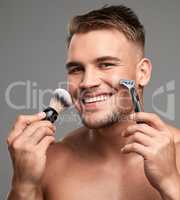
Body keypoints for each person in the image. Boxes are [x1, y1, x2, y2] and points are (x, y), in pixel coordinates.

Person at [7, 5, 180, 200]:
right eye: (76, 69)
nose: (87, 82)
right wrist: (23, 184)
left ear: (142, 73)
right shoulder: (50, 162)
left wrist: (171, 184)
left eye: (106, 64)